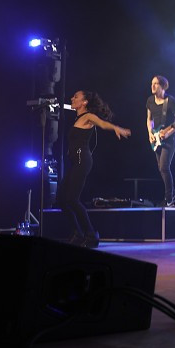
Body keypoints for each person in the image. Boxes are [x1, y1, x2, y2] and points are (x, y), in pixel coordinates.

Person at [56, 90, 131, 247]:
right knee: (62, 199)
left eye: (76, 97)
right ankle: (77, 233)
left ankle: (91, 235)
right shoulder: (78, 115)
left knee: (72, 199)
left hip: (82, 160)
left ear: (84, 103)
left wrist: (117, 128)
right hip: (76, 161)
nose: (72, 98)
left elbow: (103, 124)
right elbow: (65, 106)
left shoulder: (88, 116)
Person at [146, 75, 175, 207]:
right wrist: (150, 133)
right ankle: (172, 195)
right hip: (156, 138)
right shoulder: (150, 101)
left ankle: (169, 198)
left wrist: (168, 133)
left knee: (164, 167)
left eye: (156, 84)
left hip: (170, 137)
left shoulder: (171, 101)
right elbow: (149, 119)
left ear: (163, 86)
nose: (152, 86)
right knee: (161, 168)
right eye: (152, 83)